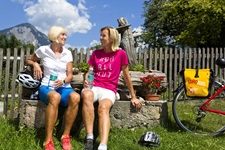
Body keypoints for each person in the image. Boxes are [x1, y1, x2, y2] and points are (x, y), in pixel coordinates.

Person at [81, 26, 142, 150]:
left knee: (103, 108)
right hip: (95, 86)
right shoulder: (96, 53)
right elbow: (89, 72)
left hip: (109, 89)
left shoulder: (120, 54)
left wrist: (133, 96)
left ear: (111, 38)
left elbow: (126, 76)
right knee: (87, 95)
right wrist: (86, 80)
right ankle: (89, 138)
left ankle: (103, 145)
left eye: (104, 35)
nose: (100, 38)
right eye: (101, 35)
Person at [26, 26, 80, 150]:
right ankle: (48, 140)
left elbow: (70, 75)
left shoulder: (67, 53)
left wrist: (63, 81)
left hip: (63, 86)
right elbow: (28, 59)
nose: (65, 37)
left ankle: (65, 136)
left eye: (65, 35)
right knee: (55, 97)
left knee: (76, 97)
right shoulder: (43, 50)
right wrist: (35, 64)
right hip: (47, 86)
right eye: (62, 35)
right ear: (55, 36)